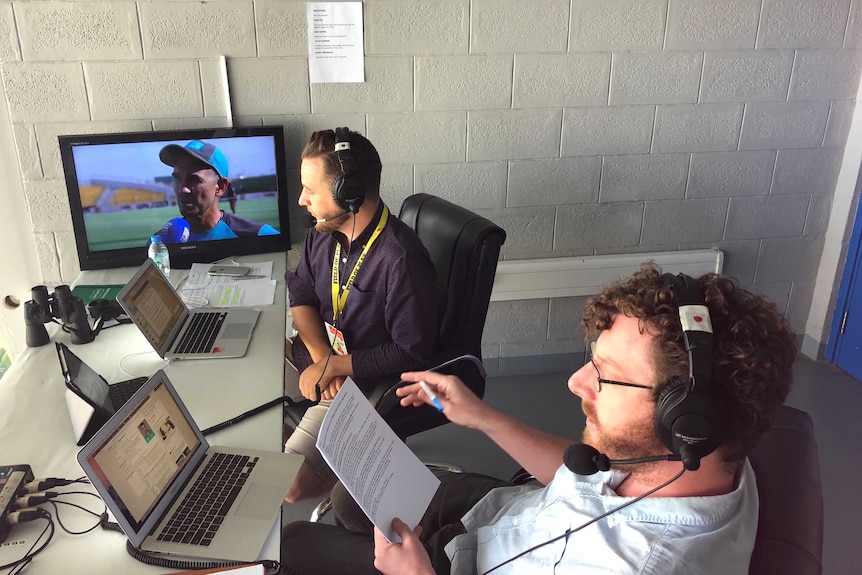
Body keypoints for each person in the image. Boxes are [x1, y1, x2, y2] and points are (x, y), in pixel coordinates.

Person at [280, 263, 797, 574]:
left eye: (605, 374)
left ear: (683, 420)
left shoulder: (638, 564)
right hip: (502, 515)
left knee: (294, 548)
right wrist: (482, 417)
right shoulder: (695, 454)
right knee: (351, 499)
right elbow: (586, 480)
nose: (576, 382)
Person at [283, 128, 438, 502]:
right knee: (244, 396)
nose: (302, 200)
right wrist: (324, 360)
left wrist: (338, 368)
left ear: (347, 194)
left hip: (370, 381)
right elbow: (301, 293)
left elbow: (411, 352)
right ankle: (331, 451)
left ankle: (357, 475)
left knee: (287, 488)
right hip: (324, 360)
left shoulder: (400, 258)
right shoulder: (322, 232)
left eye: (311, 190)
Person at [155, 140, 278, 242]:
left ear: (220, 186)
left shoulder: (260, 235)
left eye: (194, 180)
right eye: (177, 178)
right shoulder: (158, 243)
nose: (183, 189)